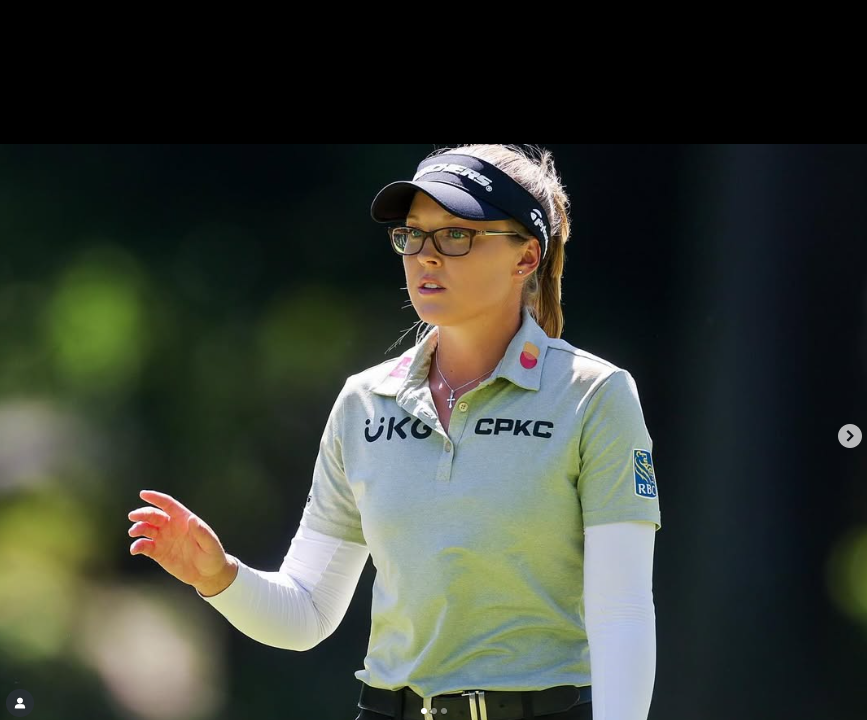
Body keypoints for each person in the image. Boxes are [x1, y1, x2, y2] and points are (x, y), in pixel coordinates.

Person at [127, 144, 662, 720]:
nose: (426, 255)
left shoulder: (595, 395)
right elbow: (307, 612)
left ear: (526, 256)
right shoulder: (364, 402)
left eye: (455, 235)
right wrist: (220, 577)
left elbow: (622, 613)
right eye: (413, 235)